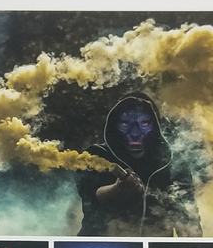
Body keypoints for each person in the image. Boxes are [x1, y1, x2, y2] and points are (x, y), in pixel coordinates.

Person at [76, 92, 200, 236]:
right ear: (114, 125)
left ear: (156, 126)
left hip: (154, 247)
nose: (135, 133)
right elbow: (90, 195)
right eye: (125, 123)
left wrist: (194, 247)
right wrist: (116, 190)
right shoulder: (96, 154)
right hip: (101, 246)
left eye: (144, 123)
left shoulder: (173, 162)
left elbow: (188, 218)